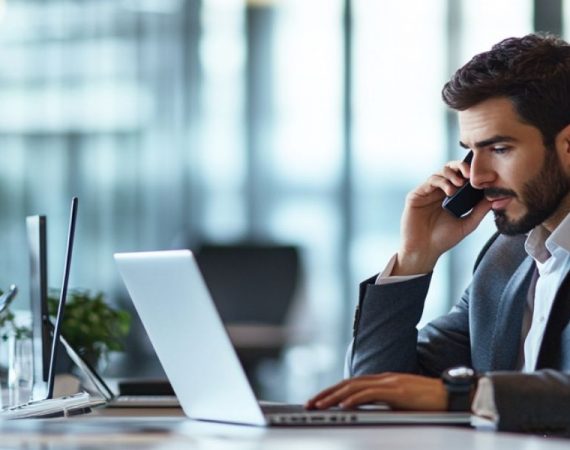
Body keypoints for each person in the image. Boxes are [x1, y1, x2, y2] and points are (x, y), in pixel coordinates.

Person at [306, 33, 570, 433]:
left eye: (500, 148)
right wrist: (416, 257)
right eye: (471, 151)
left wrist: (461, 394)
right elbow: (375, 386)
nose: (478, 177)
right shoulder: (508, 258)